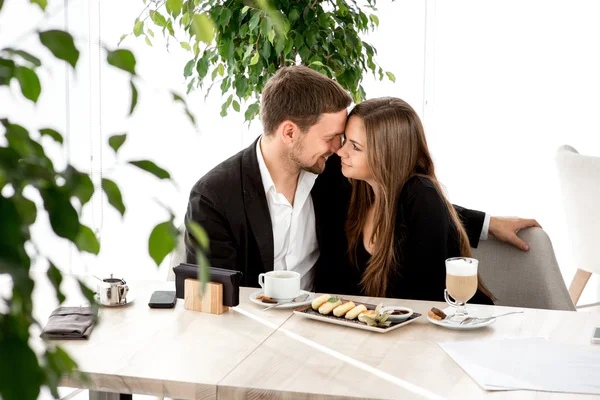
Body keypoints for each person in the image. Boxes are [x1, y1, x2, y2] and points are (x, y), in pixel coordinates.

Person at [184, 66, 539, 293]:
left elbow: (400, 191)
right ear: (290, 132)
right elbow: (209, 298)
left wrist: (488, 224)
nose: (339, 148)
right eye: (332, 138)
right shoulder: (215, 196)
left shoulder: (330, 172)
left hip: (326, 332)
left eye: (347, 140)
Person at [337, 97, 493, 303]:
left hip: (448, 326)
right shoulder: (357, 191)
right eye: (344, 140)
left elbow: (427, 297)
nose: (340, 152)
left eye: (355, 147)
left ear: (388, 154)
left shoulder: (422, 195)